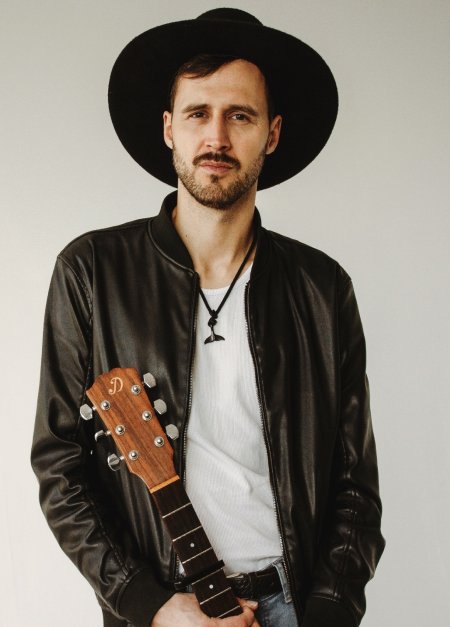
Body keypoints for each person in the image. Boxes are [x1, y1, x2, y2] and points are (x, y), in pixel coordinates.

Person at [31, 8, 385, 627]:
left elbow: (355, 486)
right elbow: (60, 465)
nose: (216, 138)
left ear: (272, 134)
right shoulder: (91, 272)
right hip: (168, 609)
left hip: (294, 604)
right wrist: (150, 604)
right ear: (169, 128)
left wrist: (329, 610)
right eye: (198, 113)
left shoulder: (323, 289)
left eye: (240, 115)